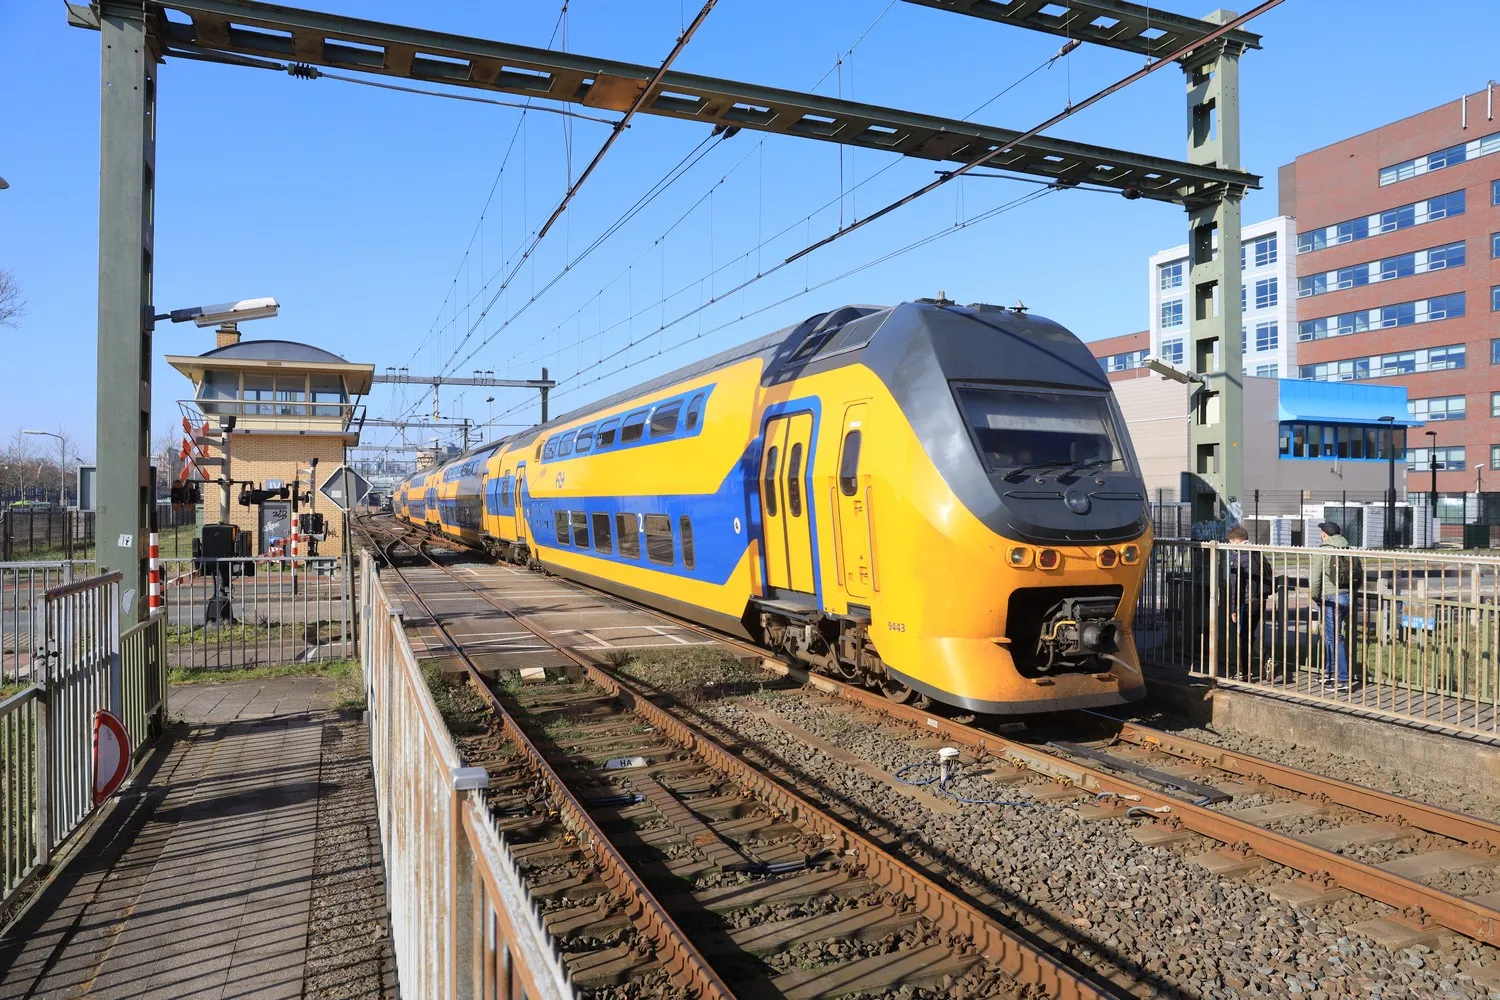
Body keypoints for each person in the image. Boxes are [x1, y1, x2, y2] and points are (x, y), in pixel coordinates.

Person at [1225, 525, 1275, 679]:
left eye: (1230, 542)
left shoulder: (1238, 556)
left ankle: (1248, 671)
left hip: (1247, 602)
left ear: (1235, 541)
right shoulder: (1257, 551)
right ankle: (1254, 666)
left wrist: (1233, 608)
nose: (1230, 546)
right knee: (1249, 634)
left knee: (1243, 636)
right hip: (1261, 599)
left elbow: (1236, 586)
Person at [1310, 520, 1353, 692]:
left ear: (1324, 534)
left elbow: (1315, 578)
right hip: (1345, 596)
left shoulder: (1323, 550)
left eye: (1321, 531)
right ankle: (1329, 674)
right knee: (1330, 637)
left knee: (1335, 639)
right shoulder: (1347, 549)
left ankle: (1342, 679)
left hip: (1330, 598)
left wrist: (1315, 596)